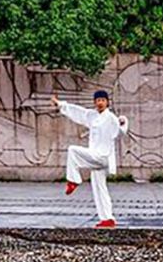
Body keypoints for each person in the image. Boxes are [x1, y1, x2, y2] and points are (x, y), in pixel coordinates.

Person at [52, 90, 129, 229]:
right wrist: (61, 105)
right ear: (95, 102)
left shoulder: (111, 117)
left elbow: (118, 133)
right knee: (99, 189)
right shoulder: (92, 115)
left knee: (73, 151)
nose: (100, 103)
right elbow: (78, 112)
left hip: (102, 157)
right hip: (95, 156)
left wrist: (123, 123)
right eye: (98, 100)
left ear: (107, 102)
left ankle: (73, 180)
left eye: (103, 100)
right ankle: (107, 219)